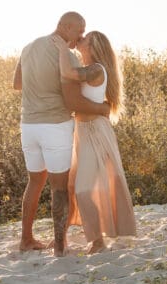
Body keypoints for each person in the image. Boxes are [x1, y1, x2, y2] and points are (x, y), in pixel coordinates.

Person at [13, 12, 110, 256]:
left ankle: (26, 239)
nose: (81, 36)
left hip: (28, 126)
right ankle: (59, 246)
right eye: (79, 30)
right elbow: (73, 99)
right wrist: (101, 108)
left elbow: (17, 84)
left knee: (34, 182)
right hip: (54, 126)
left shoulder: (28, 48)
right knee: (59, 188)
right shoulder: (67, 56)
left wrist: (39, 85)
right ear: (65, 27)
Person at [53, 30, 137, 254]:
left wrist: (63, 48)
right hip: (81, 131)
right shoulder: (90, 68)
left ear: (93, 46)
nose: (80, 40)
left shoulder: (96, 69)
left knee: (83, 189)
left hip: (94, 132)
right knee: (72, 186)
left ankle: (97, 240)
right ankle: (65, 238)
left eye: (85, 39)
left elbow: (68, 73)